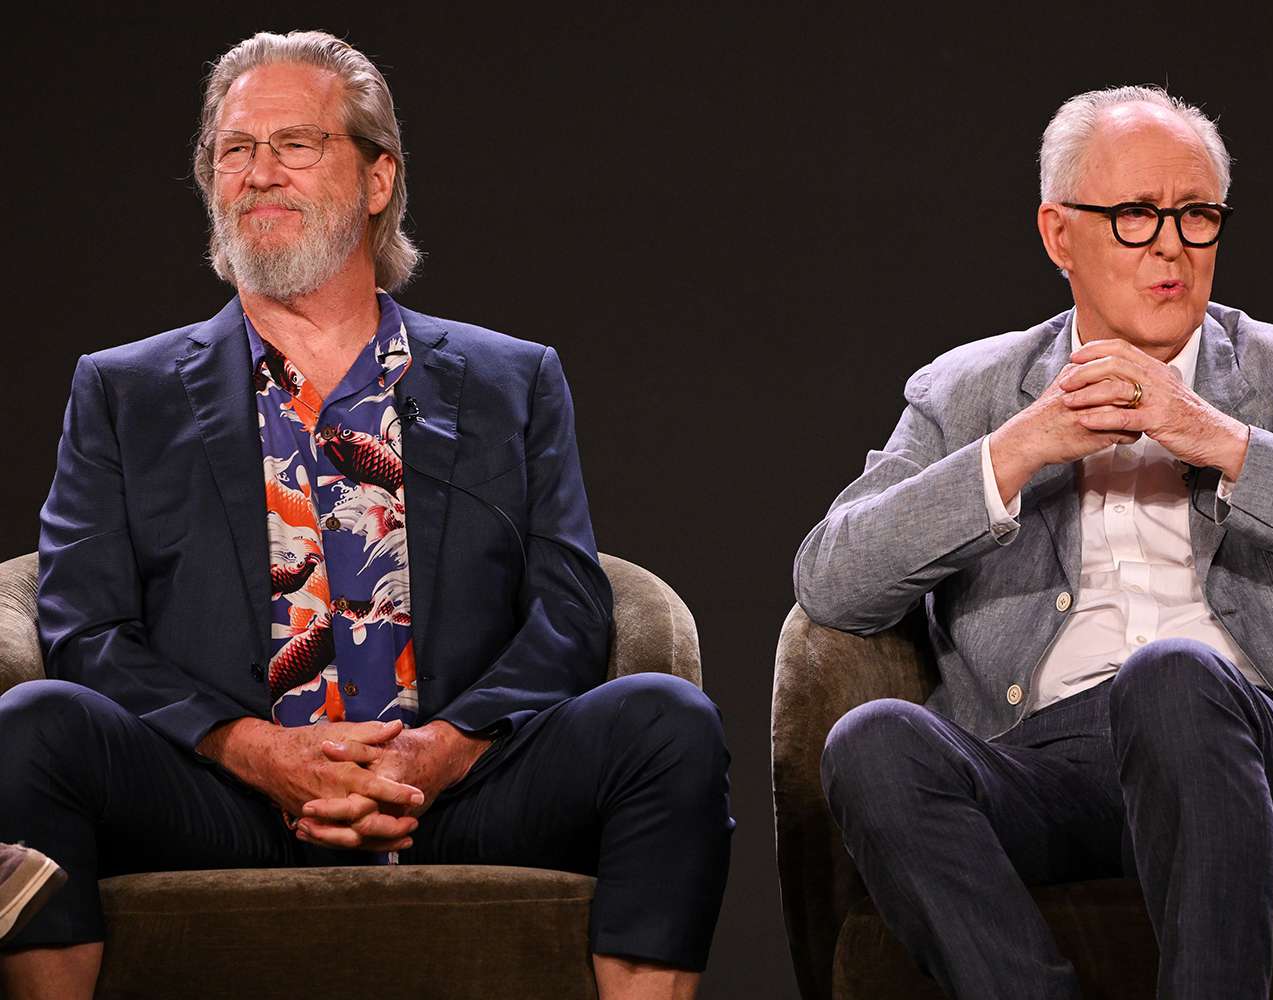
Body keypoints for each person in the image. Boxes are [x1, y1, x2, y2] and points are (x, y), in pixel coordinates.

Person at [0, 30, 731, 1000]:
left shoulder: (514, 380)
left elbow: (568, 607)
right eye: (233, 149)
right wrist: (261, 753)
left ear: (378, 178)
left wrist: (439, 752)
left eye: (294, 144)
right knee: (33, 724)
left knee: (669, 722)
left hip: (457, 789)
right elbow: (85, 624)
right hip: (222, 793)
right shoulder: (122, 392)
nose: (258, 173)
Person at [795, 85, 1273, 1000]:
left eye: (1197, 216)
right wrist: (1017, 451)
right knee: (872, 740)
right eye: (1134, 215)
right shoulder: (969, 393)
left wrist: (1227, 446)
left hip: (1258, 749)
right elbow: (832, 578)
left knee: (1173, 677)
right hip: (1049, 757)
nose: (1171, 244)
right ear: (1057, 235)